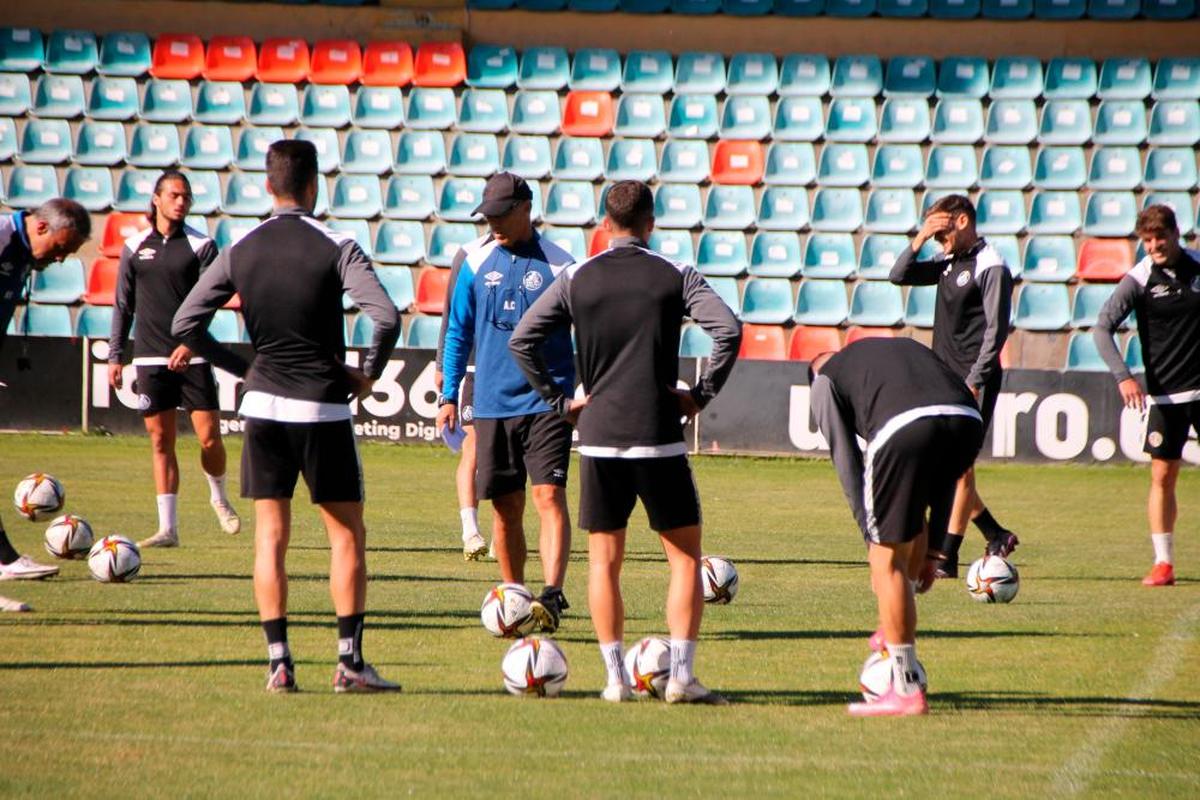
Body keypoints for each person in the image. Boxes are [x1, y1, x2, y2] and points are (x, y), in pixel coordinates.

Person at [172, 140, 401, 693]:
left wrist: (246, 367)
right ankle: (349, 663)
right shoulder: (337, 244)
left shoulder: (240, 248)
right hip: (322, 408)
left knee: (270, 537)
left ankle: (279, 662)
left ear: (268, 186)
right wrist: (366, 373)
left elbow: (183, 324)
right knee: (346, 536)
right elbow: (386, 316)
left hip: (265, 407)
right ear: (314, 184)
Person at [510, 180, 742, 704]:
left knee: (603, 563)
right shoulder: (675, 274)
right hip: (659, 437)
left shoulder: (576, 276)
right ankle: (680, 678)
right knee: (684, 560)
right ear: (651, 224)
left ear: (605, 224)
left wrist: (559, 400)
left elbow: (522, 339)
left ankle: (616, 679)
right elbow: (727, 329)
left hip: (599, 440)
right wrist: (699, 396)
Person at [809, 338, 984, 716]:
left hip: (901, 425)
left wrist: (874, 539)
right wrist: (936, 550)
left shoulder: (824, 381)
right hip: (969, 421)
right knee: (908, 531)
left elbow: (848, 463)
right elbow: (944, 484)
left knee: (886, 562)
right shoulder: (891, 353)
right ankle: (892, 629)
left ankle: (904, 688)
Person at [437, 172, 575, 632]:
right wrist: (448, 393)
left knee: (549, 495)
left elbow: (588, 334)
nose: (492, 222)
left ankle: (552, 596)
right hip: (493, 402)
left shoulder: (562, 266)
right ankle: (514, 597)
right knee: (505, 508)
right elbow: (457, 331)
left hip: (547, 401)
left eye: (500, 213)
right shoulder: (475, 262)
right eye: (487, 214)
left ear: (525, 208)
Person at [108, 171, 239, 549]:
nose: (181, 202)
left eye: (186, 197)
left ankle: (218, 496)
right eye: (175, 195)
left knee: (209, 438)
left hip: (192, 357)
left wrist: (193, 343)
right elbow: (123, 306)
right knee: (160, 441)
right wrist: (117, 355)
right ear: (157, 199)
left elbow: (213, 299)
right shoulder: (135, 248)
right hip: (149, 357)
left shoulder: (201, 246)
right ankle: (168, 528)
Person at [889, 193, 1018, 578]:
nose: (937, 242)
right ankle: (996, 534)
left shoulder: (990, 265)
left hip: (971, 381)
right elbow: (898, 275)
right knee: (939, 469)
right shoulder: (949, 261)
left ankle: (947, 556)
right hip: (940, 377)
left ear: (961, 221)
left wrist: (975, 380)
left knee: (959, 470)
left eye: (940, 233)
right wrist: (918, 238)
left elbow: (996, 332)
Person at [1093, 205, 1200, 587]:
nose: (1154, 246)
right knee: (1162, 475)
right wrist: (1124, 377)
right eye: (1148, 240)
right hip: (1167, 393)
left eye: (1160, 238)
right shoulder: (1138, 279)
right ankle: (1164, 562)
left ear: (1176, 233)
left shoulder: (1197, 266)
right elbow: (1102, 329)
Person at [0, 199, 91, 610]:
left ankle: (4, 559)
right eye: (59, 249)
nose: (59, 260)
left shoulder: (21, 252)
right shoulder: (2, 239)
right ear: (40, 227)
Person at [436, 234, 487, 561]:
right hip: (472, 366)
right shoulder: (469, 254)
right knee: (473, 449)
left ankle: (501, 534)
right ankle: (470, 531)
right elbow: (451, 314)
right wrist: (443, 365)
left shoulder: (533, 256)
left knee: (509, 459)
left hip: (514, 370)